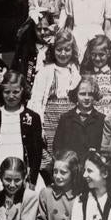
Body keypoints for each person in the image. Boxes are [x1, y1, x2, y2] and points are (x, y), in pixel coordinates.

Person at [27, 28, 81, 175]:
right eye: (59, 49)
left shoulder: (76, 71)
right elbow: (36, 101)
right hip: (50, 118)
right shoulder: (46, 71)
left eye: (67, 49)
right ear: (53, 50)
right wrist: (39, 126)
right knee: (49, 154)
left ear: (72, 50)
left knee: (68, 153)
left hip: (69, 118)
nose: (63, 53)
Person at [0, 69, 44, 192]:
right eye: (7, 92)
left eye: (16, 92)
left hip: (23, 167)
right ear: (1, 92)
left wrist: (32, 181)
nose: (11, 96)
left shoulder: (32, 117)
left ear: (23, 91)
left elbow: (37, 153)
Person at [12, 0, 67, 84]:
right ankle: (23, 73)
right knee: (26, 36)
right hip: (40, 27)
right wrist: (37, 15)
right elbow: (32, 11)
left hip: (58, 29)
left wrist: (57, 27)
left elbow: (65, 12)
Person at [53, 75, 106, 163]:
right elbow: (57, 147)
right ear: (75, 95)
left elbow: (103, 149)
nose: (86, 98)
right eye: (82, 94)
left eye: (90, 94)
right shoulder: (66, 118)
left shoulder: (101, 119)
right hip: (69, 168)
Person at [78, 34, 111, 119]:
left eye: (101, 55)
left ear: (109, 54)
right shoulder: (87, 75)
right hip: (91, 117)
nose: (97, 58)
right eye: (94, 55)